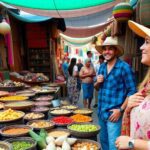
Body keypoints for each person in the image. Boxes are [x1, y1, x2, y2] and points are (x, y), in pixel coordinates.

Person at [95, 36, 137, 150]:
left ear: (116, 51)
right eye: (104, 49)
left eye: (110, 49)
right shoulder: (102, 67)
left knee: (114, 146)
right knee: (104, 143)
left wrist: (121, 110)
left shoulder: (124, 68)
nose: (106, 52)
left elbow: (132, 91)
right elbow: (98, 88)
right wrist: (97, 83)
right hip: (101, 112)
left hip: (114, 115)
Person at [115, 21, 150, 150]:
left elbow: (130, 89)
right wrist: (130, 104)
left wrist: (131, 143)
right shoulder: (147, 84)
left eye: (147, 42)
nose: (141, 47)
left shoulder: (125, 67)